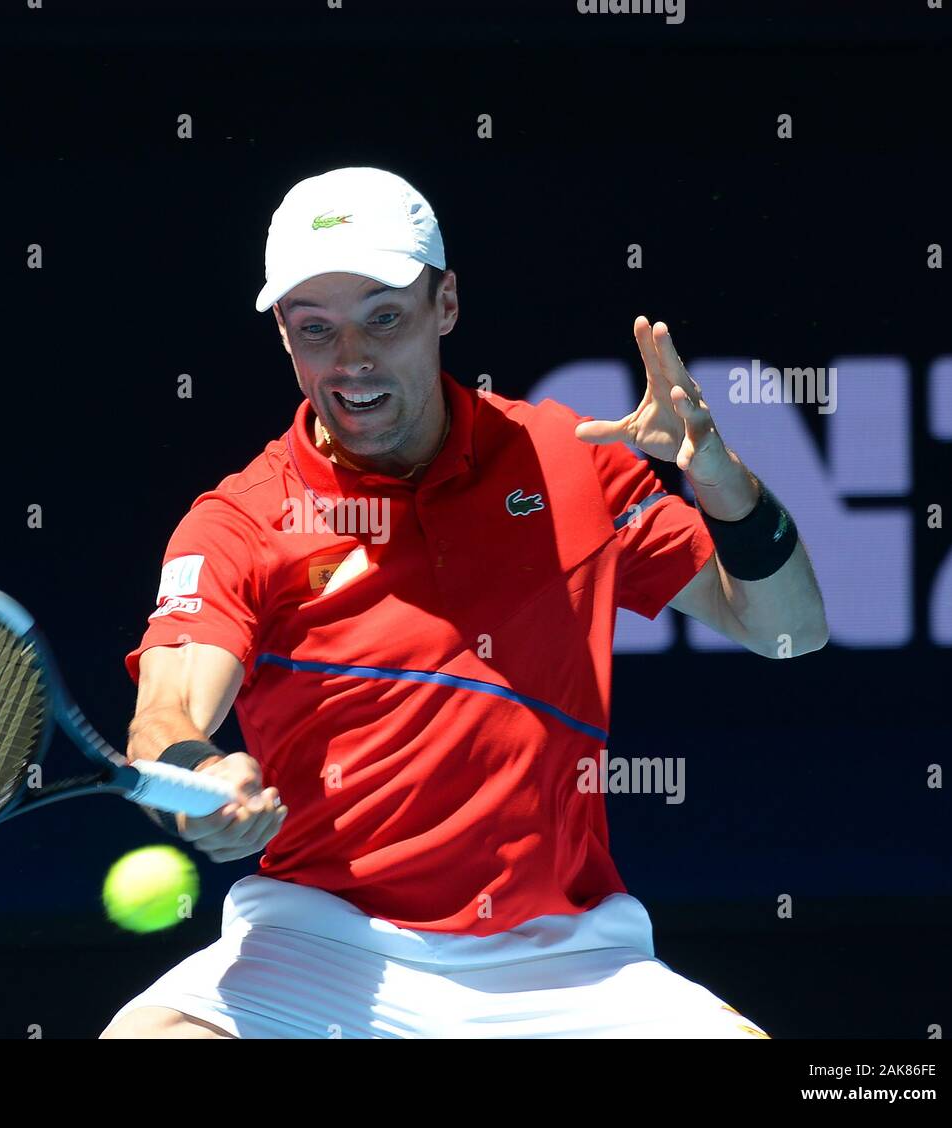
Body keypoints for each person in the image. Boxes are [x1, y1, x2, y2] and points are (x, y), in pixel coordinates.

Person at [100, 166, 828, 1039]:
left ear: (445, 305)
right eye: (315, 331)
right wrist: (201, 778)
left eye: (383, 317)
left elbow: (789, 633)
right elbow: (168, 713)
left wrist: (719, 479)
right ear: (285, 339)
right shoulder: (240, 521)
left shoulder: (569, 460)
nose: (352, 360)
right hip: (325, 940)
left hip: (567, 957)